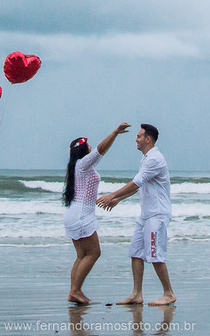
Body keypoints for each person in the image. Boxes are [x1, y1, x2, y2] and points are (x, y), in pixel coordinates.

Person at [97, 123, 175, 306]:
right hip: (146, 215)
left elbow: (135, 182)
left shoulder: (155, 159)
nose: (136, 139)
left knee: (155, 255)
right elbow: (140, 185)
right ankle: (136, 294)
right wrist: (118, 199)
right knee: (136, 253)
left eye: (139, 136)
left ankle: (169, 293)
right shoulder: (146, 158)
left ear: (148, 139)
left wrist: (112, 195)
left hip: (157, 215)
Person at [63, 122, 130, 305]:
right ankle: (76, 291)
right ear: (83, 150)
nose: (91, 146)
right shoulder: (83, 164)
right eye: (87, 144)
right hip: (81, 215)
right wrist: (115, 132)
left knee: (81, 255)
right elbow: (101, 150)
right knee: (94, 252)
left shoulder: (76, 167)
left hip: (73, 213)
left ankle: (74, 291)